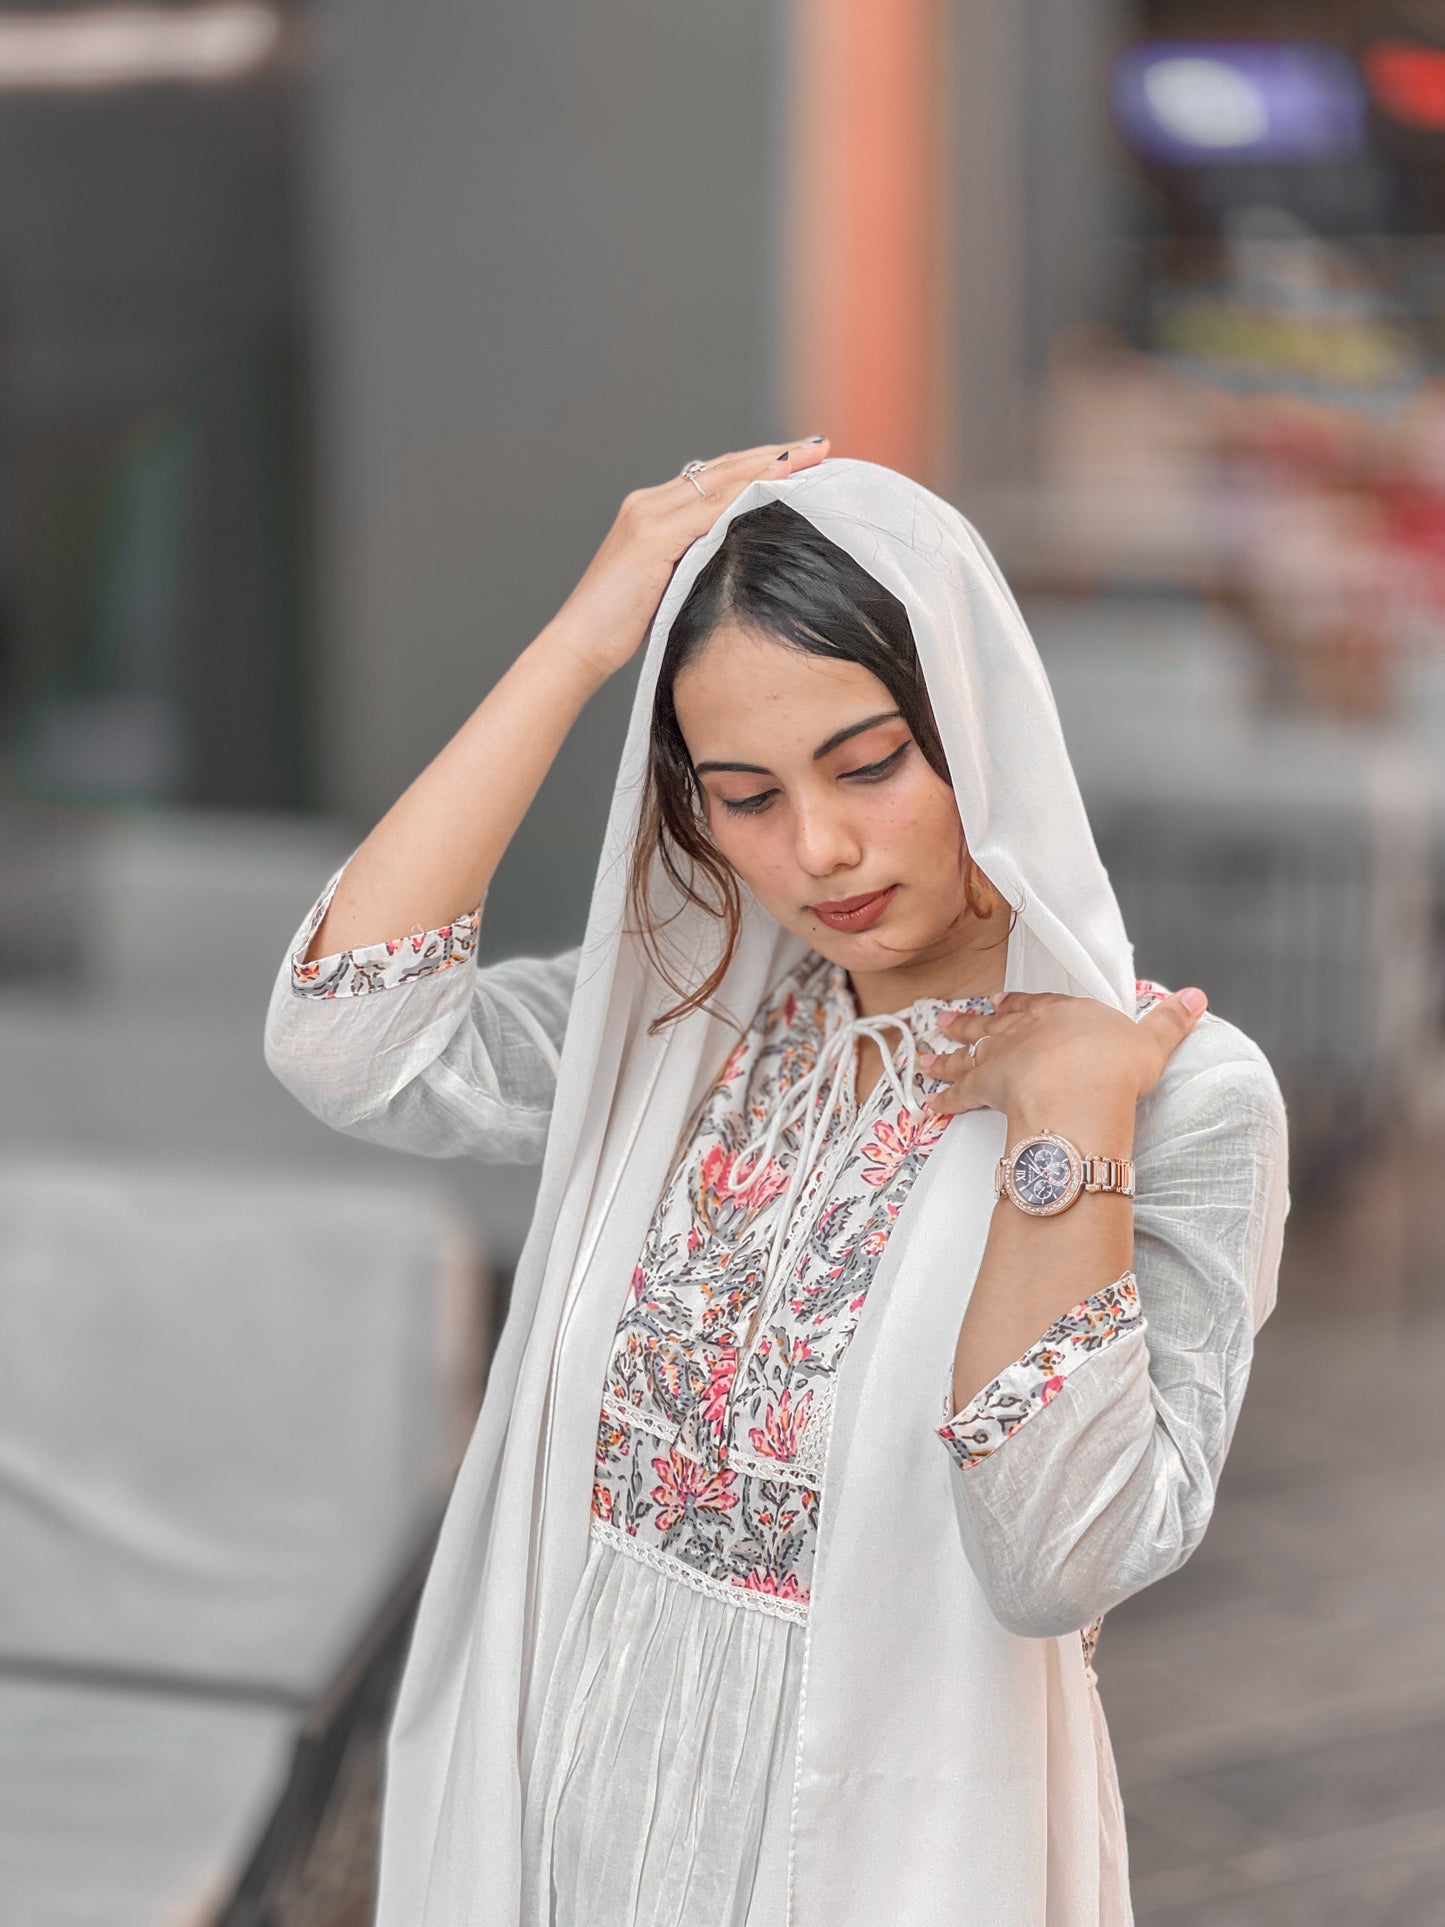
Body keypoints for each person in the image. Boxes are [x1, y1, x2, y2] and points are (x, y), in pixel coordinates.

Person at [264, 444, 1290, 1926]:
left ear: (976, 732)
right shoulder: (691, 1020)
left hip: (874, 1855)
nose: (815, 850)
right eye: (743, 796)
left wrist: (1063, 1134)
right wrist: (577, 645)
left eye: (868, 765)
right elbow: (347, 1045)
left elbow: (1058, 1558)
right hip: (572, 1793)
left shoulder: (1181, 1093)